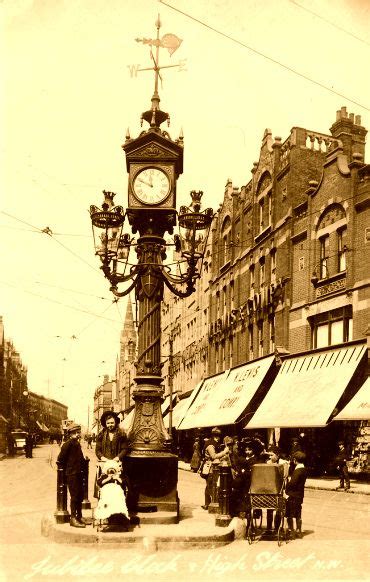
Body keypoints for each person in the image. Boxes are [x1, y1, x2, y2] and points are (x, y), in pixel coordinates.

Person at [57, 423, 87, 528]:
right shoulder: (67, 444)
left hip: (78, 473)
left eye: (79, 432)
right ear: (70, 434)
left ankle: (79, 516)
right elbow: (60, 459)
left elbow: (80, 458)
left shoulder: (77, 444)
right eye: (75, 433)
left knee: (79, 495)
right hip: (72, 474)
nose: (78, 434)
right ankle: (73, 518)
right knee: (74, 496)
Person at [202, 427, 229, 510]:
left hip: (211, 467)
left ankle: (207, 503)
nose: (218, 438)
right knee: (211, 485)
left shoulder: (212, 443)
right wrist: (224, 452)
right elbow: (213, 456)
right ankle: (211, 503)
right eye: (217, 436)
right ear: (214, 436)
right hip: (210, 467)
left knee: (209, 485)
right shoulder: (210, 445)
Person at [265, 446, 289, 534]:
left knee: (279, 509)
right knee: (269, 508)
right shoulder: (268, 463)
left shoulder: (284, 463)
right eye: (269, 455)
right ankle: (268, 527)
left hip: (280, 489)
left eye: (272, 455)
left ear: (277, 455)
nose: (270, 457)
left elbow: (285, 477)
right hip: (270, 488)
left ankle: (277, 527)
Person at [285, 451, 307, 539]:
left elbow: (293, 483)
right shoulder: (304, 469)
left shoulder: (298, 470)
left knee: (289, 514)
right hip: (300, 494)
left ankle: (291, 531)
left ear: (295, 460)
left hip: (293, 495)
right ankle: (299, 530)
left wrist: (287, 485)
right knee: (298, 513)